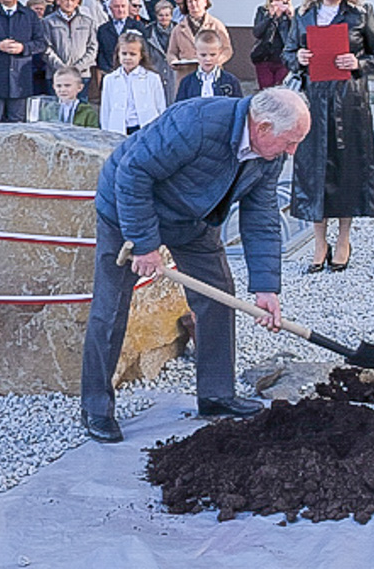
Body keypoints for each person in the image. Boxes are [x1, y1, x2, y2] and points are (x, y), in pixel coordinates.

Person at [80, 87, 312, 443]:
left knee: (219, 296)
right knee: (111, 307)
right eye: (291, 141)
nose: (293, 151)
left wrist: (266, 287)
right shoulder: (196, 123)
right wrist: (143, 244)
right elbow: (133, 173)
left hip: (192, 218)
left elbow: (262, 215)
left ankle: (216, 395)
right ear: (263, 127)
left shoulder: (270, 153)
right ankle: (96, 407)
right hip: (127, 209)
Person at [283, 0, 374, 274]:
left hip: (349, 104)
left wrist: (358, 63)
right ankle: (319, 241)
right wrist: (298, 57)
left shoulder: (360, 16)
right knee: (314, 172)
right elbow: (288, 53)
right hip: (313, 104)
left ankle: (343, 239)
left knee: (346, 171)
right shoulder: (303, 17)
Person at [99, 31, 166, 135]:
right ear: (118, 54)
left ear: (141, 56)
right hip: (119, 128)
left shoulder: (152, 78)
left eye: (133, 54)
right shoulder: (110, 79)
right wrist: (106, 132)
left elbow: (160, 107)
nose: (128, 58)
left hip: (144, 128)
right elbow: (106, 109)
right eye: (124, 54)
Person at [168, 0, 233, 87]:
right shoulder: (178, 28)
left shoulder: (216, 25)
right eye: (190, 2)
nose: (193, 4)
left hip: (211, 74)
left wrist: (215, 61)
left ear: (205, 2)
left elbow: (227, 49)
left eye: (196, 0)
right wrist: (173, 61)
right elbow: (171, 52)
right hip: (186, 75)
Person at [42, 0, 98, 97]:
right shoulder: (47, 22)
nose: (69, 3)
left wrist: (76, 68)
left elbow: (92, 48)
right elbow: (45, 48)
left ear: (78, 1)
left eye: (72, 0)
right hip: (56, 74)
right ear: (58, 0)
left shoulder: (88, 22)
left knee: (80, 111)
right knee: (56, 111)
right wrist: (62, 68)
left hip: (81, 75)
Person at [250, 0, 294, 89]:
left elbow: (294, 36)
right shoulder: (262, 11)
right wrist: (270, 16)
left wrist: (291, 18)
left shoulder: (291, 14)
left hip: (283, 59)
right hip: (265, 57)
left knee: (280, 90)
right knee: (266, 90)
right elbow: (257, 32)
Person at [178, 29, 242, 101]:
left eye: (212, 55)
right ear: (195, 53)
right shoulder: (187, 82)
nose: (208, 59)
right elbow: (179, 108)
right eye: (203, 55)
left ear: (219, 53)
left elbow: (239, 106)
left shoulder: (230, 81)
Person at [144, 0, 178, 105]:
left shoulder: (179, 30)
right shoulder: (148, 31)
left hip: (174, 74)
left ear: (171, 16)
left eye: (167, 15)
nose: (164, 18)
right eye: (161, 15)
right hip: (155, 71)